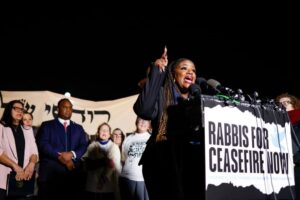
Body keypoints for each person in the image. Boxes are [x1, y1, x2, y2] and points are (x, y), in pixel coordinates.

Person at [133, 47, 204, 200]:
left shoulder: (199, 101)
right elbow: (144, 110)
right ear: (173, 74)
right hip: (162, 161)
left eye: (193, 70)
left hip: (192, 163)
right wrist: (157, 73)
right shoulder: (162, 93)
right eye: (184, 68)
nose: (190, 73)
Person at [36, 98, 88, 200]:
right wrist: (60, 157)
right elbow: (43, 144)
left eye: (70, 108)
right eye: (64, 107)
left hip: (72, 174)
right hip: (50, 175)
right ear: (58, 109)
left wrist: (72, 154)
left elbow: (83, 145)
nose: (68, 110)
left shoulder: (79, 128)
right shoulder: (47, 125)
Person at [0, 100, 39, 200]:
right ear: (9, 109)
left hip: (24, 179)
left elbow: (34, 152)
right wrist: (15, 166)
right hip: (4, 179)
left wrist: (31, 164)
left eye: (22, 109)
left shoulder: (27, 129)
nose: (20, 111)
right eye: (16, 109)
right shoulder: (1, 127)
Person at [82, 122, 122, 200]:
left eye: (106, 130)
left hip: (108, 186)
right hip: (92, 185)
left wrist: (103, 180)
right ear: (98, 132)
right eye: (102, 130)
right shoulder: (92, 146)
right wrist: (104, 161)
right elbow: (86, 163)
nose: (104, 132)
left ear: (110, 134)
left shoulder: (113, 147)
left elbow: (113, 166)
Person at [119, 117, 151, 200]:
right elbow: (124, 158)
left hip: (143, 179)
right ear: (136, 122)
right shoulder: (128, 138)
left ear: (149, 125)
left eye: (146, 121)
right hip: (127, 177)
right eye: (141, 120)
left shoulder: (152, 139)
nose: (143, 123)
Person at [276, 93, 300, 200]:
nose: (283, 105)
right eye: (280, 104)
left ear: (294, 105)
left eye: (286, 102)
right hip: (282, 170)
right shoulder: (275, 123)